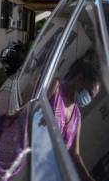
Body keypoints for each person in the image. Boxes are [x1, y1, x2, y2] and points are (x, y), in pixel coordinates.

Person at [47, 53, 100, 181]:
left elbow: (74, 154)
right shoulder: (56, 88)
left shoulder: (77, 117)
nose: (88, 99)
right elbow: (33, 112)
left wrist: (87, 178)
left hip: (48, 172)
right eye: (89, 93)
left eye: (92, 98)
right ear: (80, 79)